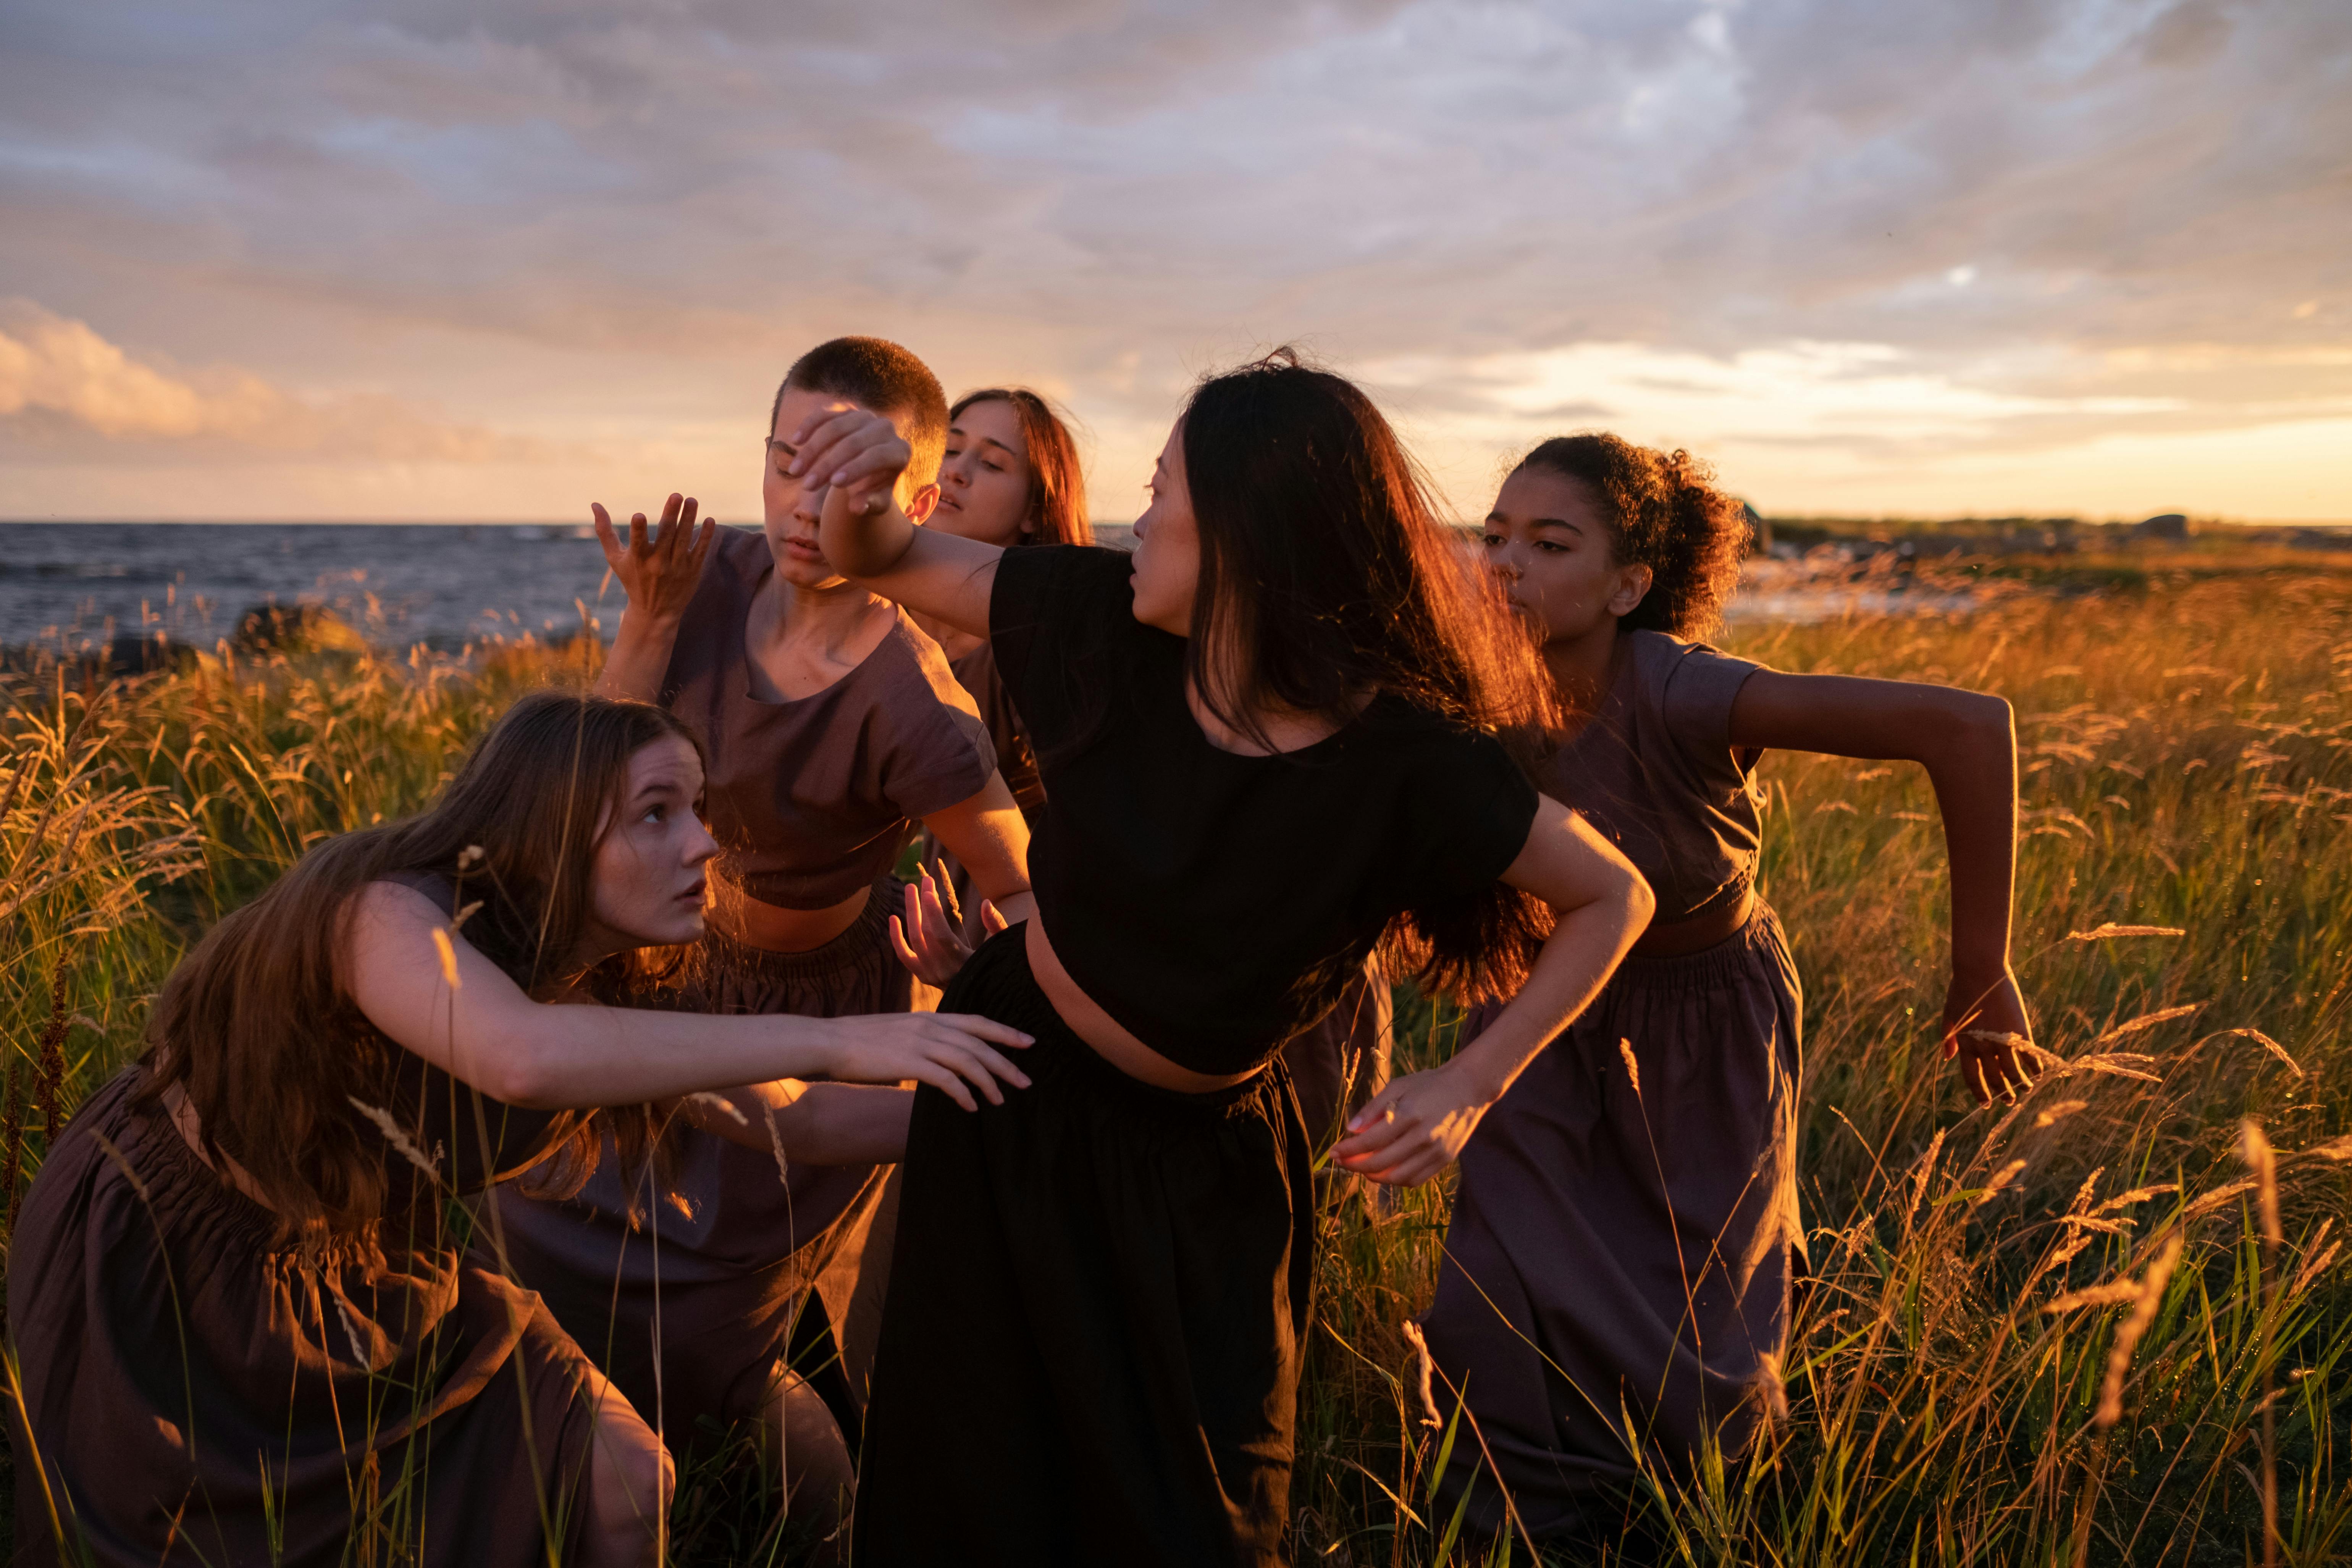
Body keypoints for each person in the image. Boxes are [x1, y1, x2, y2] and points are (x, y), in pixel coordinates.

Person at [793, 349, 1656, 1566]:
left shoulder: (1408, 759)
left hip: (1203, 1176)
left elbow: (1612, 896)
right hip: (1008, 1105)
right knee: (968, 1485)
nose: (1137, 522)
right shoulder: (1094, 617)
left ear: (1247, 534)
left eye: (1162, 495)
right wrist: (867, 481)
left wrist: (1473, 1083)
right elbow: (881, 555)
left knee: (1201, 1519)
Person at [4, 691, 1032, 1568]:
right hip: (179, 1269)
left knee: (631, 1482)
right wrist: (848, 1034)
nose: (705, 843)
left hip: (367, 1273)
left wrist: (1023, 1109)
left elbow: (803, 1120)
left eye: (702, 808)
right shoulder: (386, 910)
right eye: (658, 814)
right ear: (549, 826)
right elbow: (517, 1055)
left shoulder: (612, 992)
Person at [1391, 433, 2035, 1553]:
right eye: (1492, 535)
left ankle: (1688, 1519)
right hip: (1541, 1012)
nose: (1504, 563)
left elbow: (1966, 727)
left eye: (1550, 543)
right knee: (1496, 1290)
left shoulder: (1680, 688)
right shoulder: (1468, 686)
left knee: (1701, 1328)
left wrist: (1981, 972)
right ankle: (1516, 1530)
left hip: (1703, 1023)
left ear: (1630, 585)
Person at [486, 338, 1038, 1531]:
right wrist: (649, 613)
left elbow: (1023, 887)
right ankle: (576, 1467)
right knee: (537, 1231)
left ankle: (834, 1524)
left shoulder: (913, 700)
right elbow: (589, 768)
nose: (805, 503)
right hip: (654, 969)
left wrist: (980, 993)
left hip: (818, 1005)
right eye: (788, 462)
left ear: (918, 504)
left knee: (712, 1332)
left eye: (848, 479)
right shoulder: (709, 577)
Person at [918, 385, 1392, 1147]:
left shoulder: (1072, 639)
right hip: (1014, 934)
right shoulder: (920, 629)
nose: (958, 472)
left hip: (1116, 943)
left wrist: (1003, 950)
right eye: (950, 447)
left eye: (991, 460)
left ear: (1039, 507)